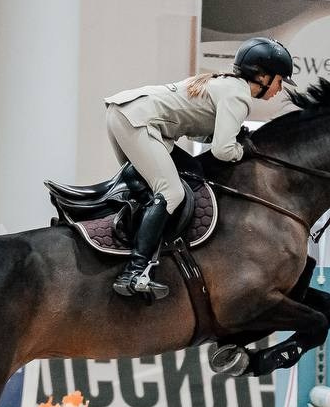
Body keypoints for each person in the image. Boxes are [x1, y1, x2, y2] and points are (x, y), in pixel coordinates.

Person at [103, 37, 296, 299]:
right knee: (172, 193)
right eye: (279, 80)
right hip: (139, 121)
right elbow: (223, 151)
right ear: (262, 76)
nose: (280, 88)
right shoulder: (239, 96)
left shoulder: (222, 83)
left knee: (189, 170)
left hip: (124, 113)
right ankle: (134, 272)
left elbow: (196, 131)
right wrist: (245, 149)